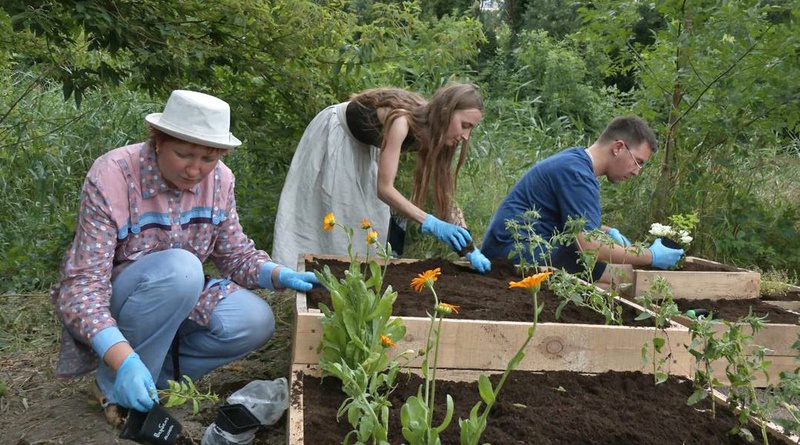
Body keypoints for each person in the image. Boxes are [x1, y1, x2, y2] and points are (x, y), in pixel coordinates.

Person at [50, 90, 320, 424]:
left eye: (209, 159)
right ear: (159, 141)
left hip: (182, 289)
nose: (195, 170)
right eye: (184, 154)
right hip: (117, 300)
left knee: (254, 320)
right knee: (183, 269)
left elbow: (235, 255)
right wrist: (124, 358)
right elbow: (81, 287)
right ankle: (114, 381)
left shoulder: (221, 181)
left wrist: (277, 273)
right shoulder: (114, 176)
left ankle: (153, 381)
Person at [272, 83, 492, 273]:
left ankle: (350, 285)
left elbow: (444, 194)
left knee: (369, 224)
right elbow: (384, 189)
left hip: (366, 148)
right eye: (465, 126)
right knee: (334, 216)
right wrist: (431, 223)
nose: (466, 136)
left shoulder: (439, 136)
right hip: (337, 135)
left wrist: (469, 247)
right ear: (446, 112)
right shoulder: (402, 121)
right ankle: (297, 278)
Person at [481, 115, 684, 286]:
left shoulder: (574, 163)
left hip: (510, 249)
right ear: (618, 147)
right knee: (624, 280)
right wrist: (650, 256)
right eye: (638, 162)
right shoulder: (577, 175)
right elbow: (590, 247)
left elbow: (571, 222)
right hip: (514, 255)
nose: (637, 172)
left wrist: (608, 232)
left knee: (615, 272)